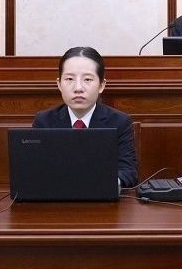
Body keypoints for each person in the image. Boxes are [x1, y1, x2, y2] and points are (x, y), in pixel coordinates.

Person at [32, 46, 139, 189]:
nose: (78, 88)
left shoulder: (119, 121)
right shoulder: (44, 121)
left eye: (87, 79)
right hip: (57, 197)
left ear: (101, 85)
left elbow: (128, 171)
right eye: (69, 79)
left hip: (102, 197)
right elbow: (35, 170)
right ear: (59, 84)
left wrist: (107, 184)